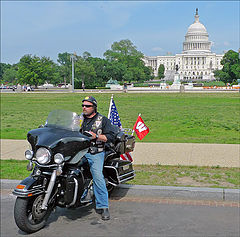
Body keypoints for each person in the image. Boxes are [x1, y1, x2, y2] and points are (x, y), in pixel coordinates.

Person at [80, 96, 117, 220]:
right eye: (83, 105)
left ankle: (103, 206)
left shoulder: (102, 120)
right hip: (78, 151)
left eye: (87, 106)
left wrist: (96, 136)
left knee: (97, 176)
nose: (84, 108)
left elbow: (111, 137)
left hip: (95, 152)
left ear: (94, 107)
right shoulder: (79, 119)